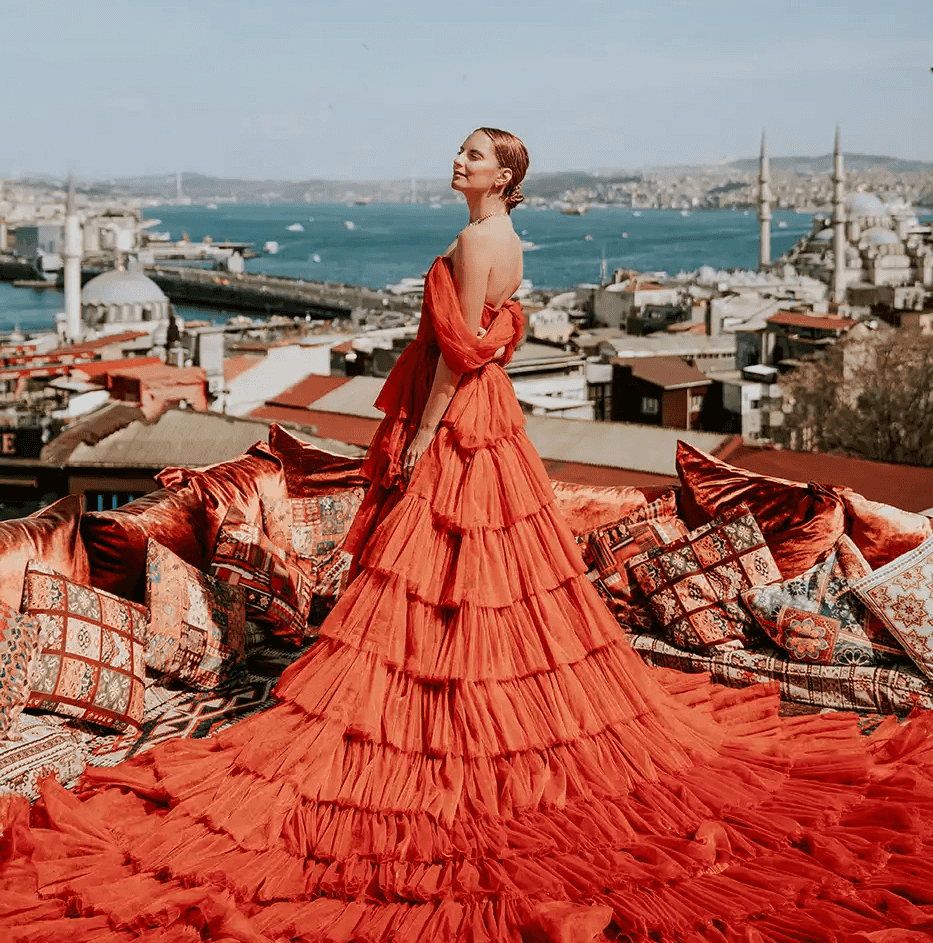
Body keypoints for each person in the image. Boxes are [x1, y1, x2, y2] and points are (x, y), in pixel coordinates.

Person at [2, 127, 933, 943]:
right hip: (497, 417)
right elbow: (489, 343)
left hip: (459, 417)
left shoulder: (470, 238)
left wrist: (412, 435)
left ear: (504, 173)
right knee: (485, 571)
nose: (457, 161)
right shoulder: (510, 242)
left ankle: (438, 719)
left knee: (441, 562)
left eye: (474, 155)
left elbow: (453, 357)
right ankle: (464, 700)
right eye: (460, 152)